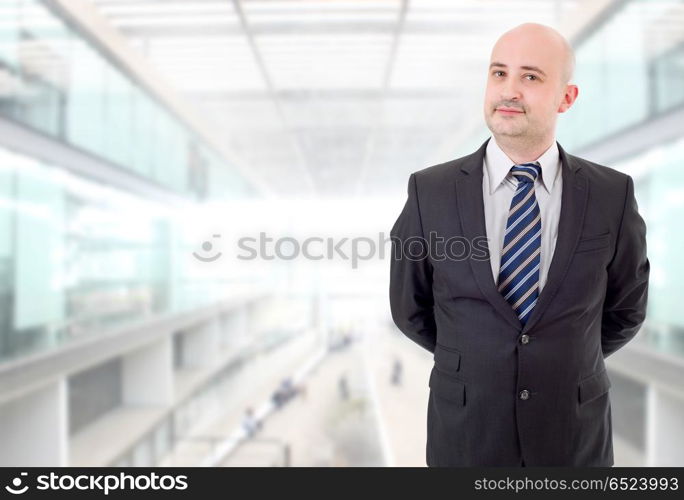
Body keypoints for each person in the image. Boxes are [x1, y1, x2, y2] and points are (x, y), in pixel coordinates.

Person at [389, 22, 649, 467]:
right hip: (466, 436)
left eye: (530, 77)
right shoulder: (430, 191)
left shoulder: (612, 194)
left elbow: (626, 310)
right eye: (498, 73)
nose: (509, 90)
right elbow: (410, 309)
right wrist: (477, 358)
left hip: (573, 439)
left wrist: (561, 362)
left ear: (566, 98)